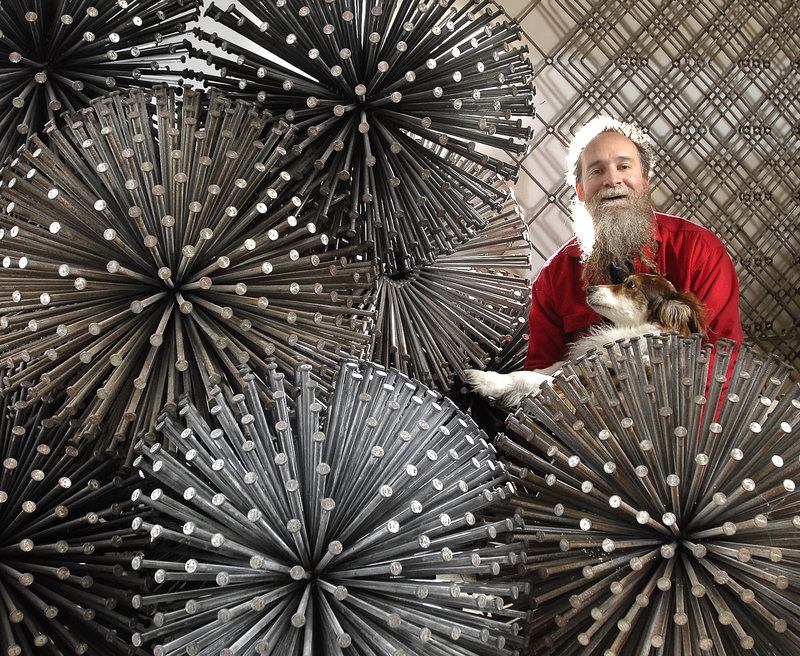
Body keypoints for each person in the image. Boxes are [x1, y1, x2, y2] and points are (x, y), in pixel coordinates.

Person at [524, 116, 743, 372]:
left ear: (646, 180)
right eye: (597, 170)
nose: (612, 180)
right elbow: (541, 368)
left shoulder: (699, 250)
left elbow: (722, 358)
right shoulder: (554, 277)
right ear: (580, 190)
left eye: (624, 167)